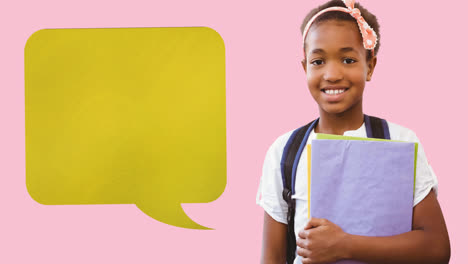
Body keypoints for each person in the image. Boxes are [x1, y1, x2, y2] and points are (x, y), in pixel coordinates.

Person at [256, 0, 451, 263]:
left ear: (369, 65)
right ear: (305, 69)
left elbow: (436, 249)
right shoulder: (285, 151)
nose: (332, 74)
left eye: (348, 60)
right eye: (318, 61)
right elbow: (273, 257)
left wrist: (343, 245)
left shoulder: (400, 143)